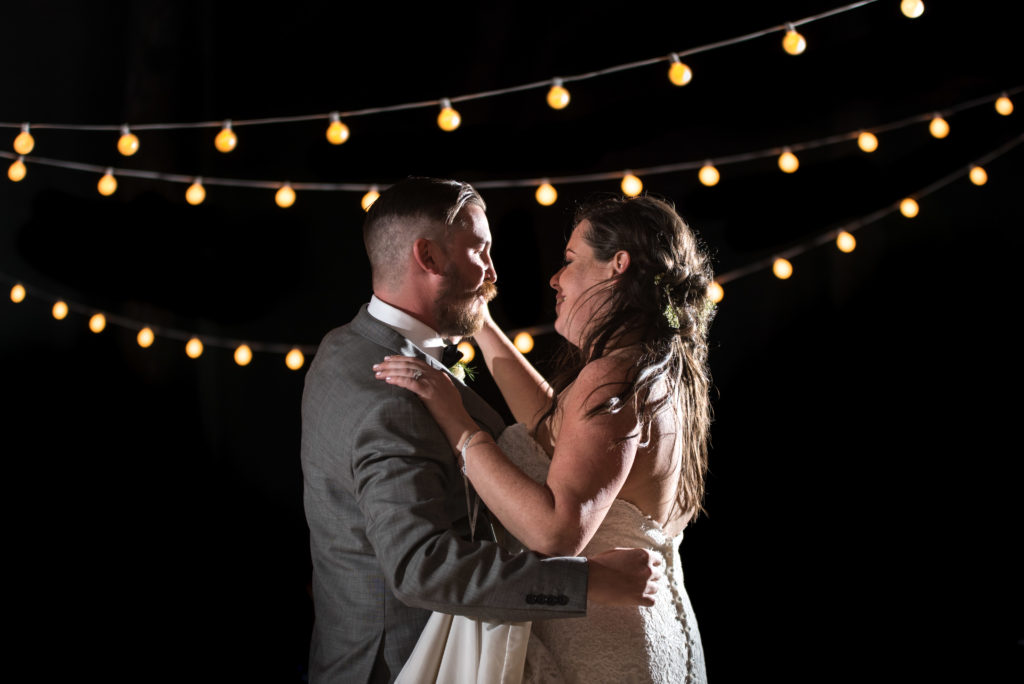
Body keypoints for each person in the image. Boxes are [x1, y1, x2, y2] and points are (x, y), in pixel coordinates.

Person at [301, 177, 664, 684]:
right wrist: (586, 582)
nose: (493, 271)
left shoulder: (344, 346)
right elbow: (422, 569)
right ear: (427, 257)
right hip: (408, 664)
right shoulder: (394, 396)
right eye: (481, 251)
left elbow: (546, 425)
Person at [375, 194, 714, 683]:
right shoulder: (654, 370)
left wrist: (458, 425)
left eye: (571, 260)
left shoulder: (613, 378)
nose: (556, 278)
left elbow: (557, 533)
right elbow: (552, 428)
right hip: (651, 638)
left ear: (617, 266)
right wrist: (483, 325)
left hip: (603, 652)